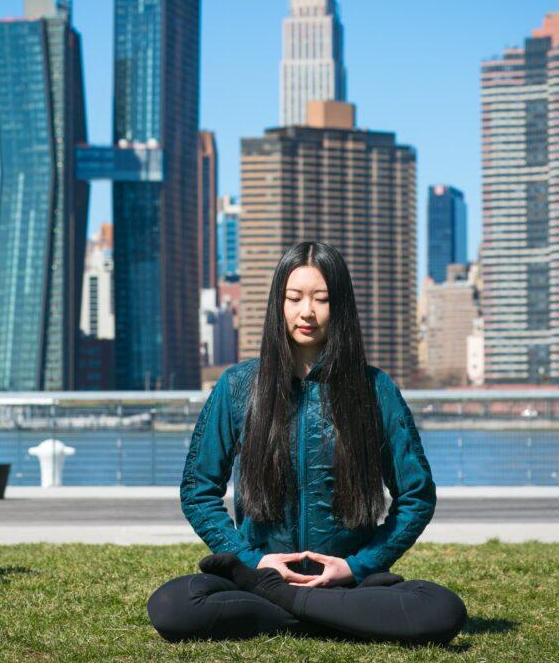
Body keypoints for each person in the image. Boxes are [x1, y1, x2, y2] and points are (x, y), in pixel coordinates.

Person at [147, 241, 467, 644]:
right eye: (294, 298)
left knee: (442, 608)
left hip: (348, 582)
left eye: (322, 299)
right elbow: (198, 490)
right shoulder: (238, 386)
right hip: (262, 576)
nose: (307, 312)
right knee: (172, 604)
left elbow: (417, 495)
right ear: (278, 303)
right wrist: (255, 561)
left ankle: (289, 609)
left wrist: (357, 566)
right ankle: (327, 616)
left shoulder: (375, 389)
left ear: (342, 307)